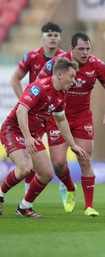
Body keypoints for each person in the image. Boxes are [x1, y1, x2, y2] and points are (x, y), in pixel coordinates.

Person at [37, 32, 105, 217]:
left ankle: (89, 206)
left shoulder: (97, 65)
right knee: (57, 163)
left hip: (82, 118)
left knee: (85, 158)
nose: (85, 52)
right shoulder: (57, 62)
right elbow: (38, 82)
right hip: (58, 116)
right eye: (81, 49)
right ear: (71, 49)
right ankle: (70, 187)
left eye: (88, 48)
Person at [0, 57, 86, 218]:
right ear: (59, 75)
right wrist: (27, 137)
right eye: (72, 76)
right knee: (25, 168)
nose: (74, 81)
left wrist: (72, 144)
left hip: (31, 134)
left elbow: (61, 120)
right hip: (13, 130)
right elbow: (21, 111)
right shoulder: (39, 87)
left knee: (46, 173)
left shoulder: (61, 95)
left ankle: (24, 207)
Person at [9, 22, 65, 199]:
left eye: (56, 35)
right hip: (38, 114)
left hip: (54, 112)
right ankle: (28, 194)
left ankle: (65, 184)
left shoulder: (64, 59)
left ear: (60, 38)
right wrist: (24, 102)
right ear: (43, 37)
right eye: (49, 34)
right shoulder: (31, 56)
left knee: (58, 159)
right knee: (31, 152)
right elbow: (15, 79)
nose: (53, 38)